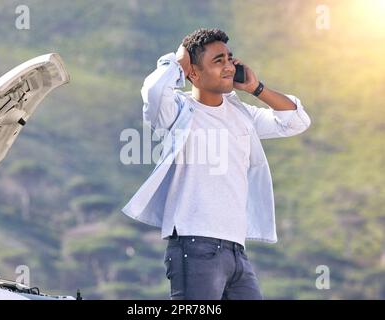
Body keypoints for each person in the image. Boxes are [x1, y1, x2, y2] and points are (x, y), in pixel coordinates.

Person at [122, 28, 311, 300]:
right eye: (218, 60)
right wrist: (176, 60)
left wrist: (255, 88)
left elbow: (295, 121)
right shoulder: (177, 111)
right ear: (193, 73)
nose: (229, 67)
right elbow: (154, 91)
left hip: (236, 250)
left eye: (229, 59)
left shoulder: (242, 113)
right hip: (194, 245)